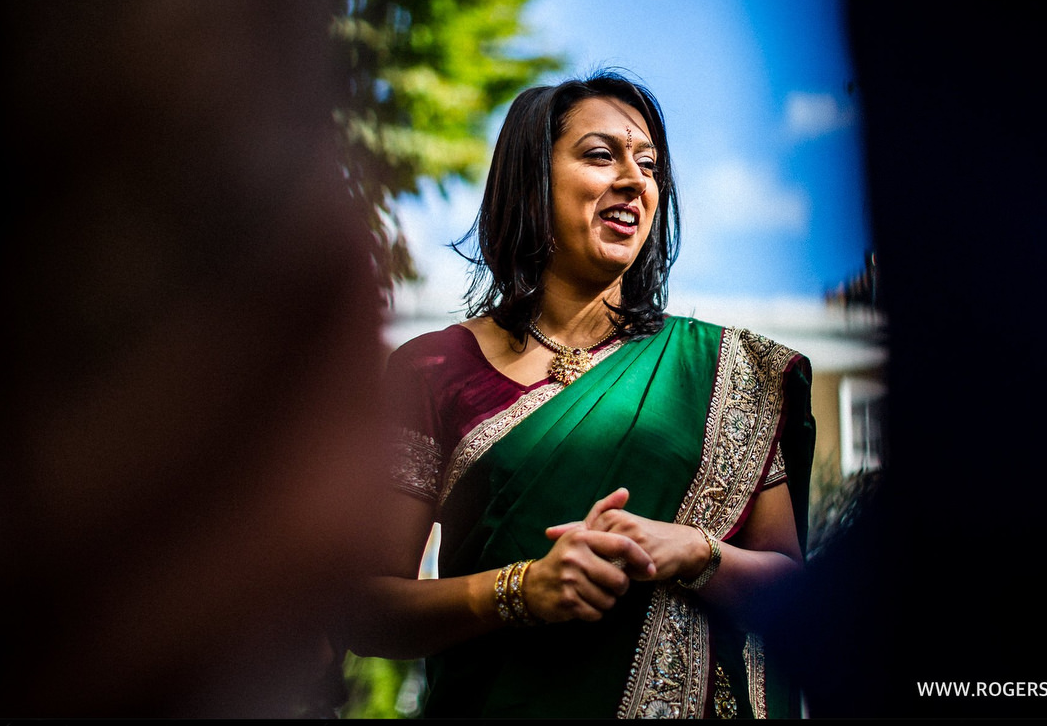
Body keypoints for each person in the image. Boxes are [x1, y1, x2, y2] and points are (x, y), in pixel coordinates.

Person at [346, 69, 815, 718]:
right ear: (532, 178)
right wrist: (521, 588)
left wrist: (696, 551)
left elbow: (798, 593)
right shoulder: (433, 369)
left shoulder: (723, 371)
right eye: (601, 154)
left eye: (649, 164)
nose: (635, 179)